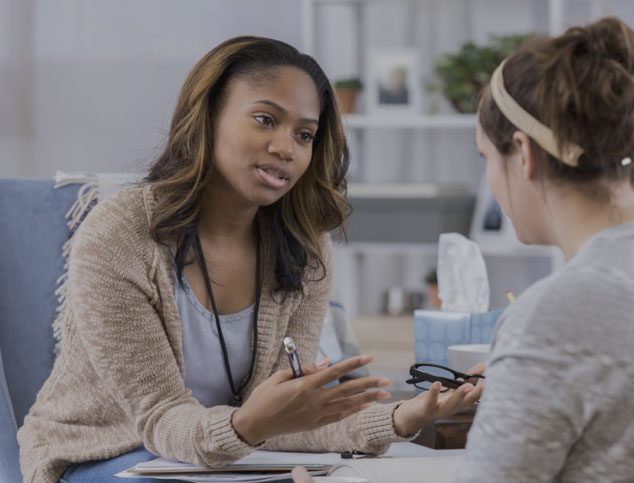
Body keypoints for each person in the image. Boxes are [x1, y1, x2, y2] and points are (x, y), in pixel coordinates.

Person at [17, 37, 482, 483]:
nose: (286, 148)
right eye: (264, 119)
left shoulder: (303, 248)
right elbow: (161, 419)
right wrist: (247, 427)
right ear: (209, 116)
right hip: (104, 453)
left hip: (229, 457)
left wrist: (402, 417)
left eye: (304, 135)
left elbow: (284, 417)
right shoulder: (120, 235)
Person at [293, 16, 634, 483]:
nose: (491, 183)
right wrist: (528, 385)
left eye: (485, 158)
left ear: (523, 153)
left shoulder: (557, 312)